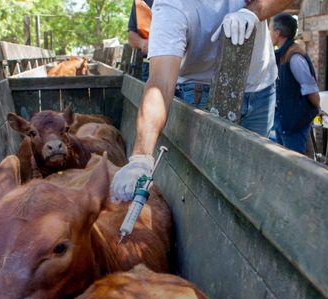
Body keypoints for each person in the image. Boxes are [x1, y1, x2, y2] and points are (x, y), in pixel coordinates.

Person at [110, 0, 297, 202]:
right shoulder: (171, 7)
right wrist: (140, 157)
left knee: (254, 179)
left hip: (260, 87)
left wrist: (253, 12)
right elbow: (160, 84)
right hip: (199, 92)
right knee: (210, 188)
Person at [270, 13, 320, 155]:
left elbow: (311, 89)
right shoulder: (282, 53)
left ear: (277, 33)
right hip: (284, 122)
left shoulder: (294, 56)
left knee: (296, 166)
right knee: (284, 164)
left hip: (294, 123)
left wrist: (316, 107)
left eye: (270, 30)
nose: (269, 33)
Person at [127, 0, 153, 81]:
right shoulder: (139, 1)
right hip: (149, 66)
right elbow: (131, 36)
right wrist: (143, 43)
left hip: (182, 68)